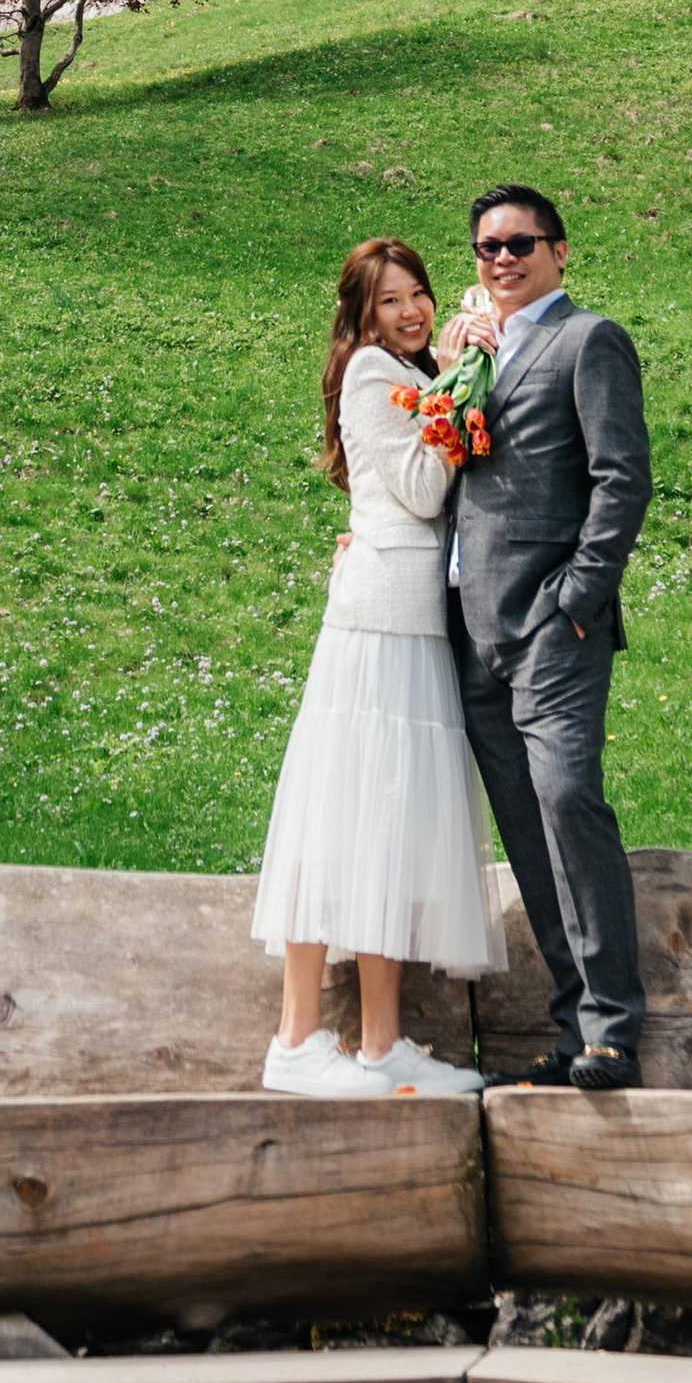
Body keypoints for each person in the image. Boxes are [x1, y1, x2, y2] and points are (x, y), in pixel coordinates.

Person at [252, 236, 504, 1094]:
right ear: (361, 315)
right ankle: (297, 1040)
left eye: (418, 295)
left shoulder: (421, 363)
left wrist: (458, 364)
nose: (412, 311)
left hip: (416, 619)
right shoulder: (369, 371)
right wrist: (455, 383)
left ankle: (383, 1045)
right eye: (390, 301)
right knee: (349, 815)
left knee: (391, 825)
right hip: (379, 623)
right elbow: (424, 488)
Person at [443, 183, 652, 1089]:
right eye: (489, 247)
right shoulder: (475, 351)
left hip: (553, 627)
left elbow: (622, 478)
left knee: (569, 801)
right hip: (470, 630)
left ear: (560, 252)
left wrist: (580, 596)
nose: (503, 259)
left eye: (522, 243)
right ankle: (572, 1035)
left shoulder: (587, 341)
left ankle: (613, 1027)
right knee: (526, 831)